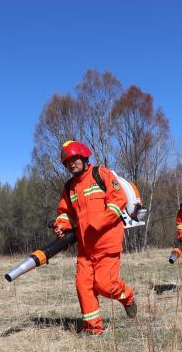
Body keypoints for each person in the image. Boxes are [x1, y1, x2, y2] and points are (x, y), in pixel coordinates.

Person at [53, 140, 137, 335]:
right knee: (83, 286)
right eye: (68, 162)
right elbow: (65, 212)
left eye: (74, 159)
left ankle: (128, 297)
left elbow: (119, 200)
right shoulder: (69, 188)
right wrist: (61, 225)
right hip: (85, 248)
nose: (72, 164)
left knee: (105, 285)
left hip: (107, 243)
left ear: (84, 157)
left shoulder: (102, 174)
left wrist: (99, 221)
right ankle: (93, 329)